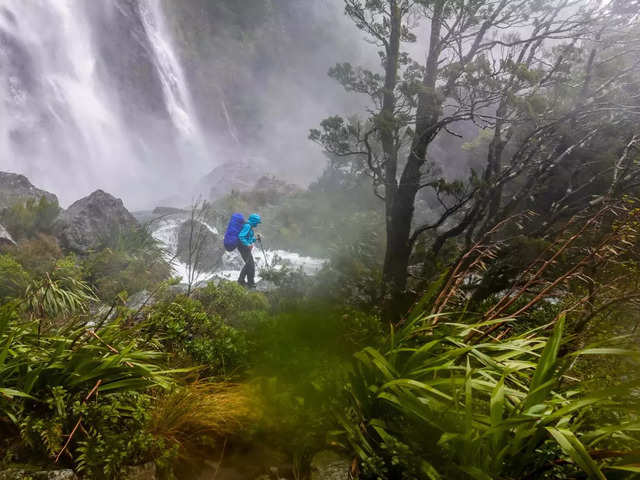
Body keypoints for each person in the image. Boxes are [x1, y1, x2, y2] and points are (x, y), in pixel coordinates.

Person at [237, 213, 261, 288]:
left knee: (249, 264)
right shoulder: (247, 226)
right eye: (257, 222)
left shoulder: (249, 226)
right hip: (243, 247)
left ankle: (242, 281)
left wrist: (255, 239)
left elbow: (248, 239)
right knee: (250, 265)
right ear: (254, 221)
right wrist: (247, 244)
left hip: (245, 247)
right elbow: (241, 236)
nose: (257, 224)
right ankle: (249, 282)